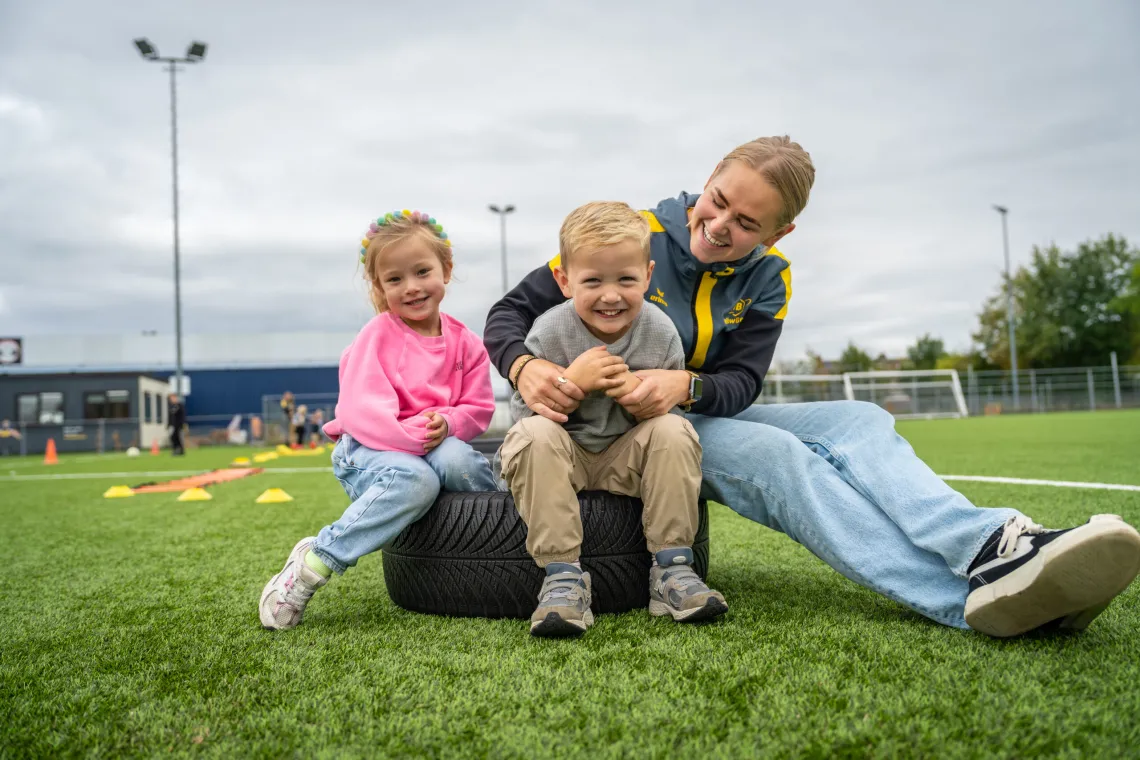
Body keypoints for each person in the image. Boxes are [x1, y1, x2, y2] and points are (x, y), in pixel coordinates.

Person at [485, 136, 1140, 638]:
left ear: (779, 233)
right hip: (639, 436)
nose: (719, 227)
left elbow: (741, 382)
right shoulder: (627, 239)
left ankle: (991, 545)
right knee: (781, 461)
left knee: (859, 418)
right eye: (718, 201)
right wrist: (524, 367)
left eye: (747, 223)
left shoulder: (771, 277)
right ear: (705, 182)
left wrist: (685, 383)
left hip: (689, 412)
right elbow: (508, 315)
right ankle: (969, 601)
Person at [260, 209, 499, 630]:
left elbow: (477, 409)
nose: (411, 287)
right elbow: (363, 413)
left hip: (429, 446)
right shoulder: (377, 337)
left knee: (457, 461)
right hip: (369, 449)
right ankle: (314, 562)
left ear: (446, 269)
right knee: (416, 479)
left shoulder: (467, 343)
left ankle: (499, 552)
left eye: (422, 271)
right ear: (379, 286)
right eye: (394, 279)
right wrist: (418, 439)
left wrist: (448, 424)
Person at [500, 201, 727, 638]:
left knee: (674, 430)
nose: (610, 295)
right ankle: (563, 578)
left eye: (626, 279)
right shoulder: (548, 332)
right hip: (564, 452)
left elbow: (668, 416)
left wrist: (648, 401)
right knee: (533, 435)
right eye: (593, 281)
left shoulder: (660, 332)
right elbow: (526, 421)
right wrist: (573, 383)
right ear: (565, 282)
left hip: (626, 456)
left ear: (647, 275)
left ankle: (672, 571)